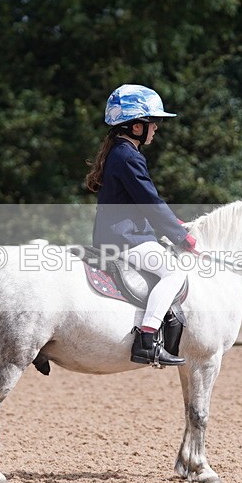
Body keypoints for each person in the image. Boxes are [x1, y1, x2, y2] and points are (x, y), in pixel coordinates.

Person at [85, 84, 198, 367]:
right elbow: (149, 200)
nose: (157, 128)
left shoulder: (120, 152)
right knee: (174, 272)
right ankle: (147, 340)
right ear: (136, 127)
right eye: (153, 122)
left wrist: (173, 224)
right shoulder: (129, 156)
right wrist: (181, 236)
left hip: (119, 233)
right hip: (124, 238)